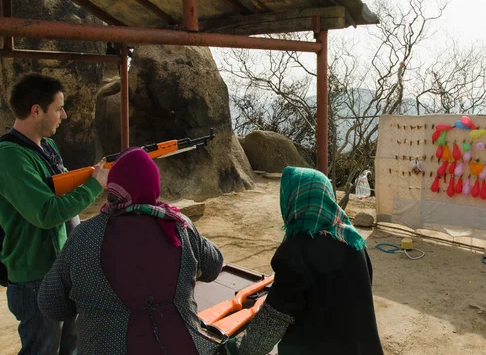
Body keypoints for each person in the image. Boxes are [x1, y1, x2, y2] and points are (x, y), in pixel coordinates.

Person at [38, 147, 225, 354]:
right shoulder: (180, 226)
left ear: (112, 189)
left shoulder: (84, 235)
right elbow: (214, 264)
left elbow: (51, 304)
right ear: (154, 186)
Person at [0, 73, 109, 354]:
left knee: (70, 347)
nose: (64, 114)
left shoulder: (45, 147)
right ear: (36, 110)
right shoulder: (10, 156)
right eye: (58, 107)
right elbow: (46, 213)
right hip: (34, 278)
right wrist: (93, 186)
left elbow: (58, 191)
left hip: (60, 270)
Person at [225, 166, 383, 355]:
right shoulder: (354, 241)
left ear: (291, 200)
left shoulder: (295, 253)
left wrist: (234, 348)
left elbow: (266, 332)